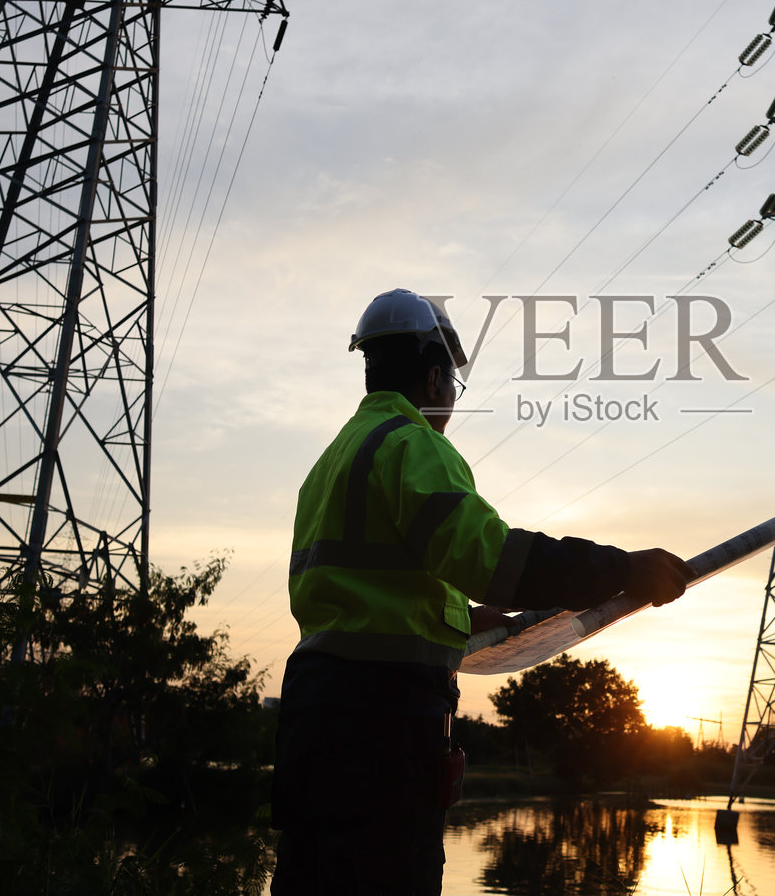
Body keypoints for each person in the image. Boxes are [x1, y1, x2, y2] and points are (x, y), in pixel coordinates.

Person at [271, 288, 691, 895]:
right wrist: (623, 569)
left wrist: (462, 618)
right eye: (452, 387)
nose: (449, 403)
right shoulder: (412, 446)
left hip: (318, 710)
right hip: (382, 720)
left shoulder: (336, 459)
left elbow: (364, 591)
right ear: (436, 375)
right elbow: (499, 560)